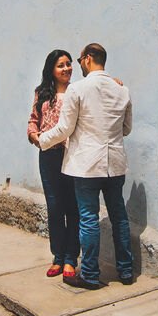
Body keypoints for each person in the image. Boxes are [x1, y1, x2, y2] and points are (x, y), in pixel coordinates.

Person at [36, 43, 134, 289]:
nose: (77, 65)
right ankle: (126, 271)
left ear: (88, 59)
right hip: (115, 164)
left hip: (87, 166)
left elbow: (65, 129)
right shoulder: (122, 90)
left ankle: (90, 274)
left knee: (88, 219)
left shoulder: (77, 89)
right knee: (119, 218)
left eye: (79, 60)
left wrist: (42, 140)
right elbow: (126, 129)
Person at [27, 50, 80, 279]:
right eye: (61, 65)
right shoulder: (41, 93)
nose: (67, 68)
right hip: (48, 156)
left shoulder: (78, 91)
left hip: (72, 157)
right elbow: (33, 120)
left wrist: (115, 82)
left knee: (73, 208)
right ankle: (57, 257)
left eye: (69, 64)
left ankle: (70, 259)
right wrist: (33, 135)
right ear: (52, 69)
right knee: (55, 208)